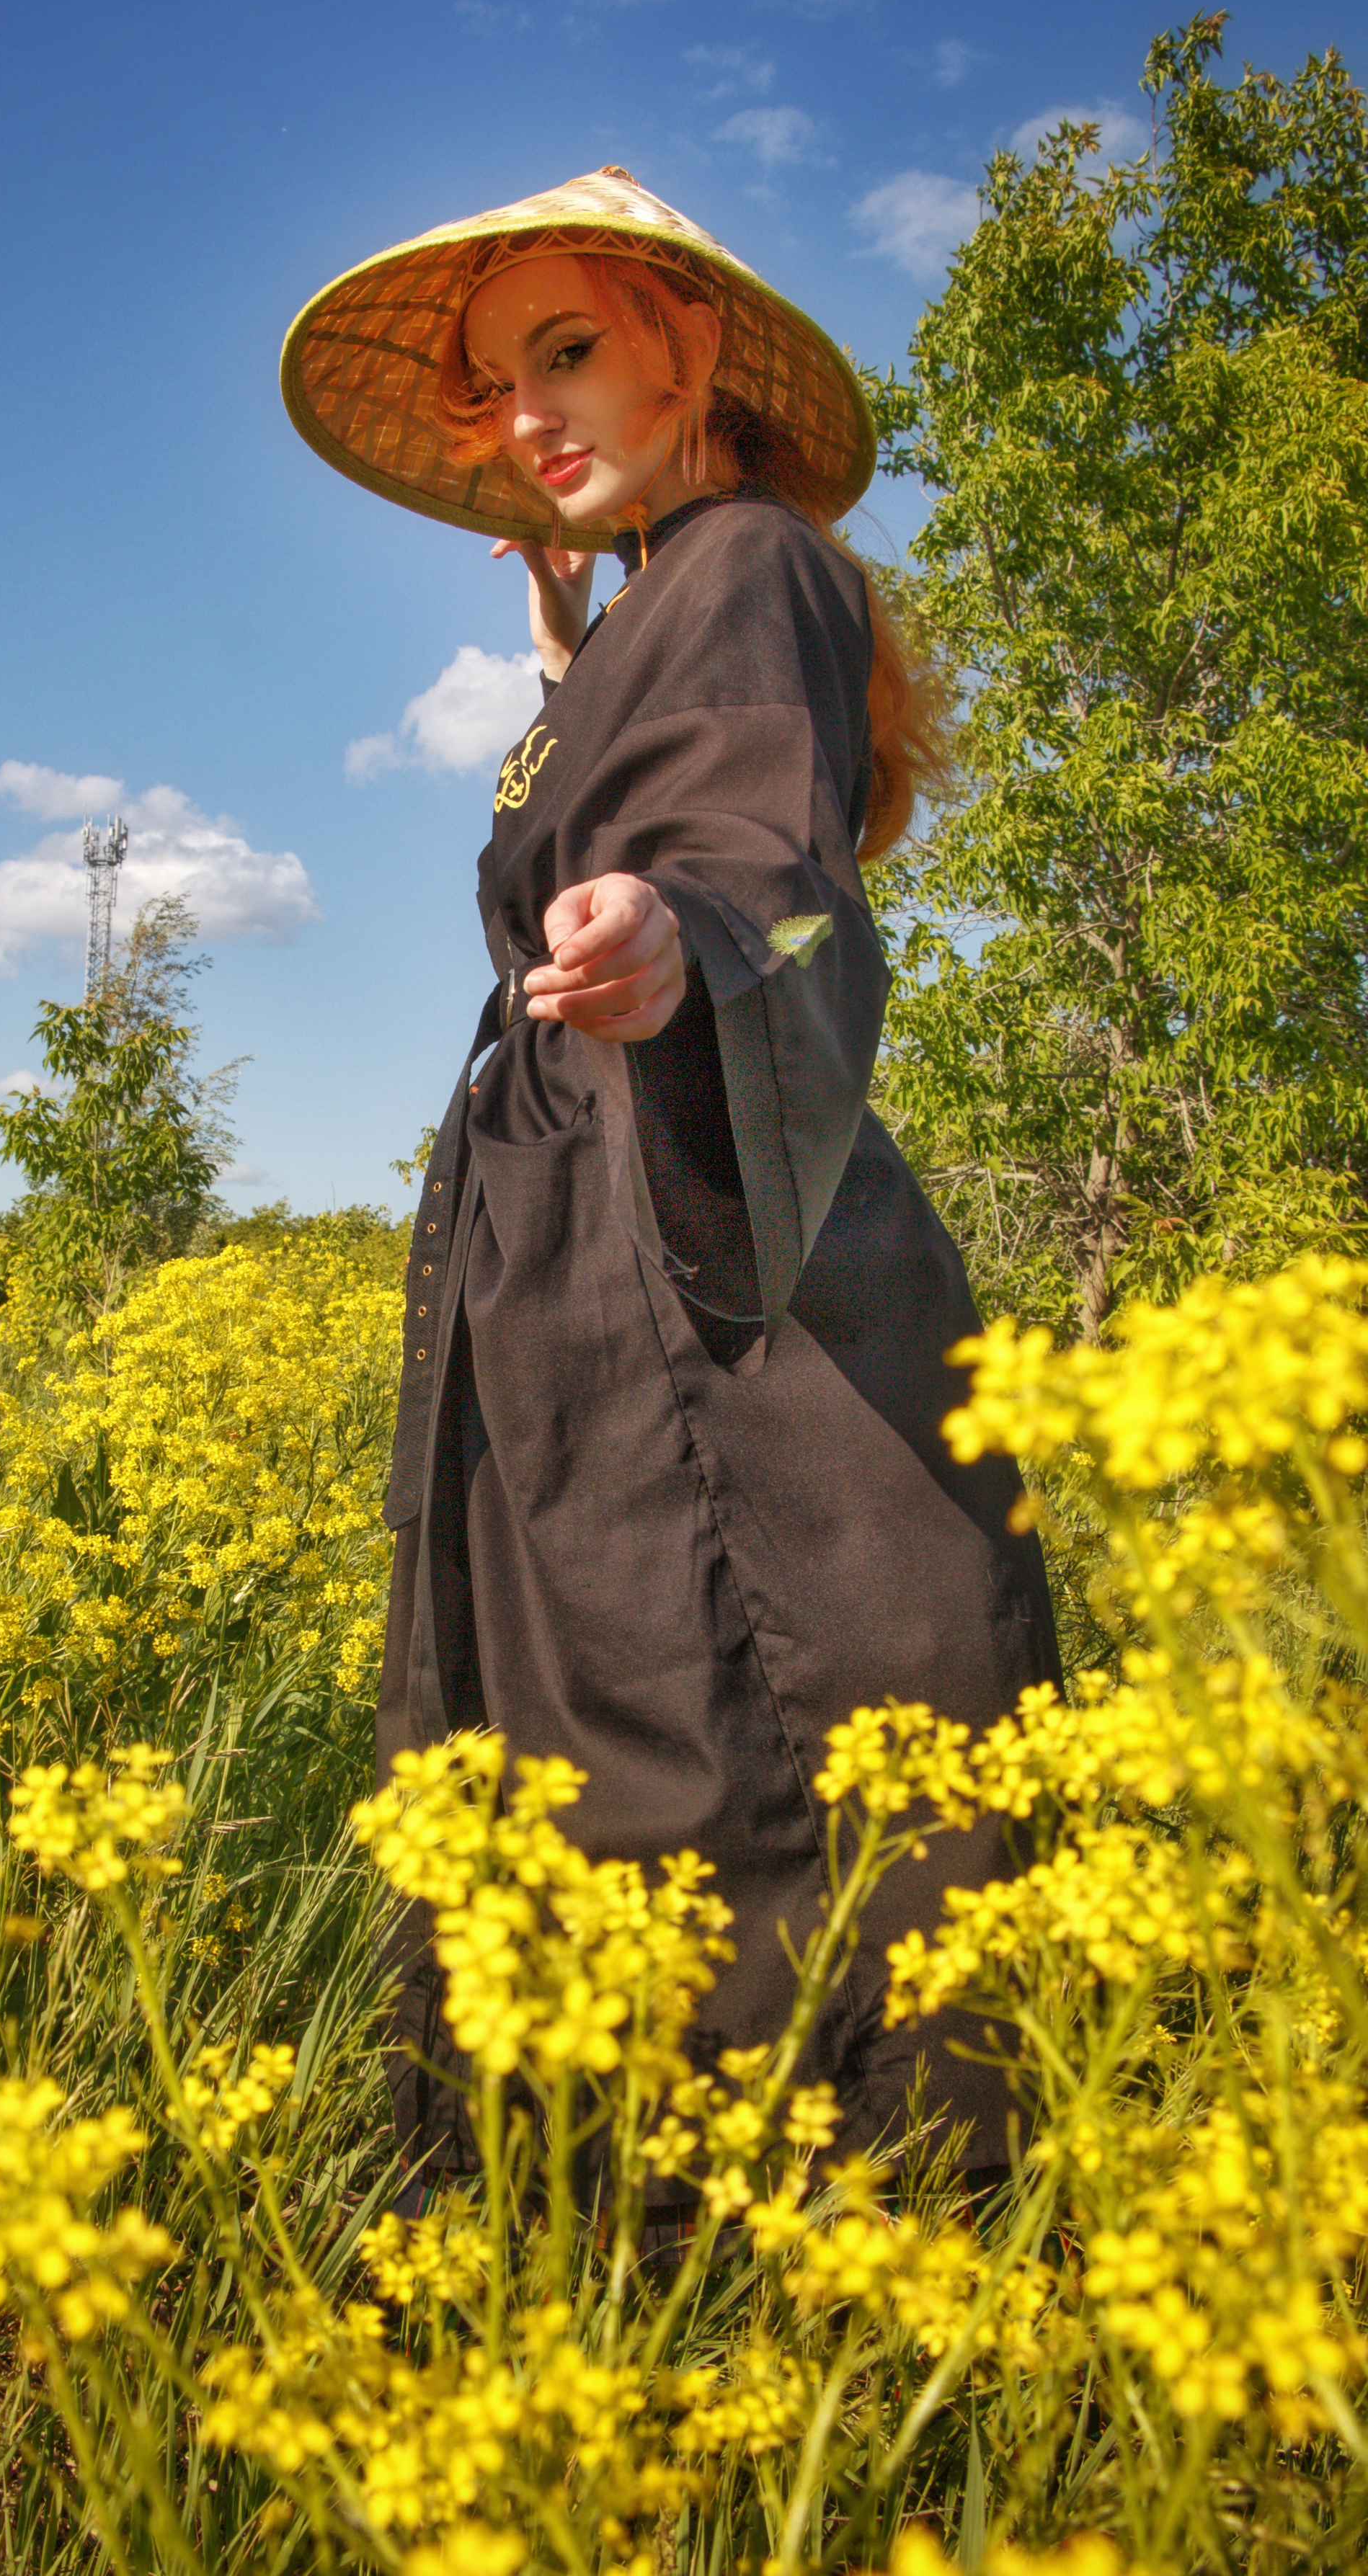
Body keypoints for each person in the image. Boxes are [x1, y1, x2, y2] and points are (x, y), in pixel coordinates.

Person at [281, 166, 1057, 2179]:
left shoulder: (752, 564)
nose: (527, 411)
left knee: (731, 1711)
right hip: (576, 1227)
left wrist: (666, 929)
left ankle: (813, 2233)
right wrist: (567, 650)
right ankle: (635, 2234)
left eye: (568, 350)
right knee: (598, 1706)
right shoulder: (653, 601)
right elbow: (635, 773)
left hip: (684, 1215)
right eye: (495, 382)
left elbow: (757, 853)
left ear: (689, 344)